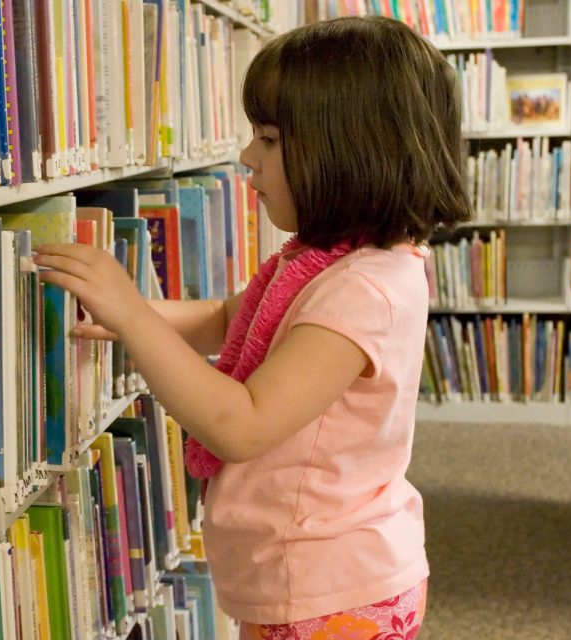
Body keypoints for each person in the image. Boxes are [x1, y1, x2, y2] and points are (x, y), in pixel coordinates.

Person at [33, 15, 470, 640]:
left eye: (267, 138)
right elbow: (224, 322)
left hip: (328, 589)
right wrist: (122, 316)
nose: (247, 157)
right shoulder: (324, 264)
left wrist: (132, 313)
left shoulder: (362, 291)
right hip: (301, 578)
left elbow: (243, 424)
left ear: (347, 150)